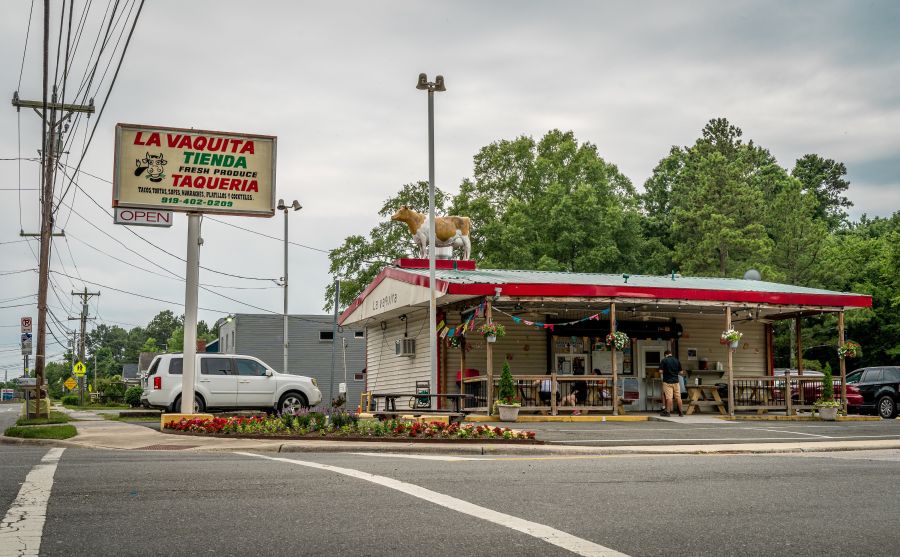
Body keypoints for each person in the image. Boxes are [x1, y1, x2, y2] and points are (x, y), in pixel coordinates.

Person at [659, 349, 684, 417]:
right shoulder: (677, 360)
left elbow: (660, 371)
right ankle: (681, 412)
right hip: (676, 382)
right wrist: (675, 373)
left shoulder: (664, 360)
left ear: (665, 355)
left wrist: (667, 372)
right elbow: (681, 372)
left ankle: (668, 412)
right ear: (671, 354)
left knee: (669, 397)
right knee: (678, 397)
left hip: (667, 381)